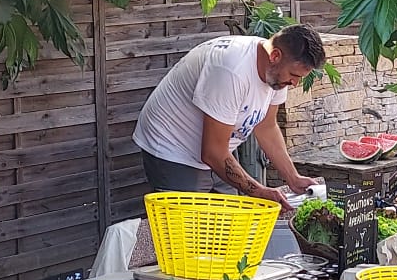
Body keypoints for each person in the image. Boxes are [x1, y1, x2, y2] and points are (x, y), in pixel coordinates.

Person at [133, 25, 325, 205]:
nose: (295, 83)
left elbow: (266, 127)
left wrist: (293, 178)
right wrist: (259, 191)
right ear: (275, 55)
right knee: (190, 232)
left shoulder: (277, 74)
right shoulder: (231, 70)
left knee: (227, 225)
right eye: (294, 75)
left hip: (218, 147)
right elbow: (212, 153)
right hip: (172, 146)